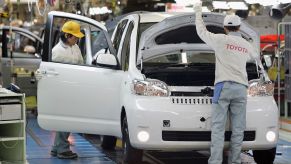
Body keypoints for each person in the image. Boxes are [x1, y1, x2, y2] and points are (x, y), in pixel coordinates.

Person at [194, 2, 259, 164]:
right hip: (241, 89)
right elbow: (255, 57)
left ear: (225, 28)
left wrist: (197, 12)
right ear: (239, 27)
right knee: (238, 129)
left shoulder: (220, 40)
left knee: (218, 128)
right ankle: (234, 161)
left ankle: (215, 161)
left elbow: (201, 31)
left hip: (223, 87)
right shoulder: (246, 44)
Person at [50, 20, 84, 159]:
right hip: (62, 89)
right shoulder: (56, 52)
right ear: (66, 35)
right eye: (74, 36)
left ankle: (56, 147)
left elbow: (81, 64)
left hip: (73, 87)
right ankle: (62, 149)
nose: (76, 39)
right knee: (66, 118)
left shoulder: (75, 48)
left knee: (67, 118)